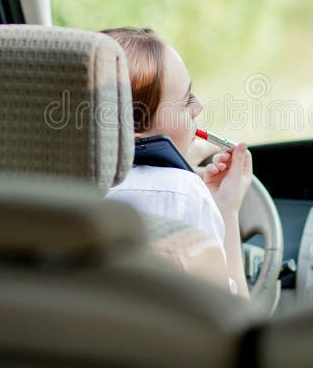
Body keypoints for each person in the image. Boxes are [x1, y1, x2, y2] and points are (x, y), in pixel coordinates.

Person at [102, 27, 253, 298]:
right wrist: (226, 209)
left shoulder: (32, 183)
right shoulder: (183, 193)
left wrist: (183, 160)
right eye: (186, 101)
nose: (199, 107)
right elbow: (236, 317)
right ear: (136, 132)